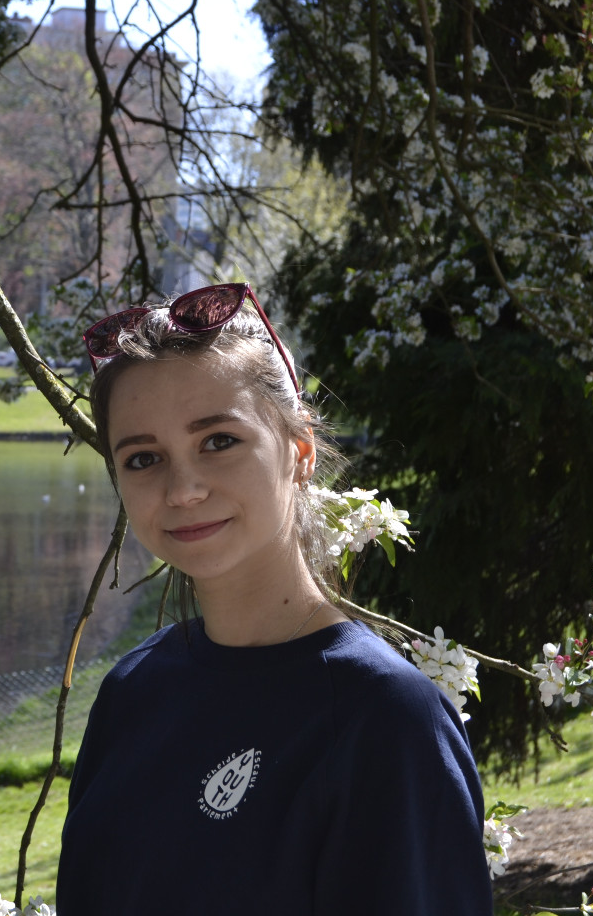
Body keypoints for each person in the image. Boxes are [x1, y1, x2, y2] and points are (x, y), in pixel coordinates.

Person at [56, 283, 494, 914]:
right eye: (144, 458)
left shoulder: (386, 720)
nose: (182, 490)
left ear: (299, 454)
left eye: (218, 441)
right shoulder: (133, 692)